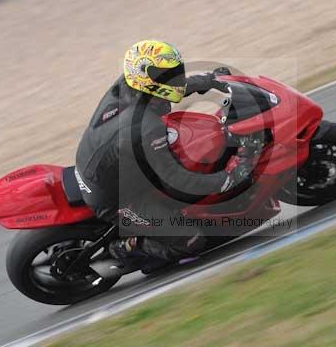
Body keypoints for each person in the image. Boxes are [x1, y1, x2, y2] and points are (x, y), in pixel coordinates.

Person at [75, 40, 254, 270]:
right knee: (192, 240)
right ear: (147, 79)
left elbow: (168, 89)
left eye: (175, 71)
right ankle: (125, 248)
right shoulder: (147, 127)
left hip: (103, 164)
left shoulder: (128, 86)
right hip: (117, 199)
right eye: (168, 74)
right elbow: (176, 179)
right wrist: (228, 178)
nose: (176, 77)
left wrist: (209, 81)